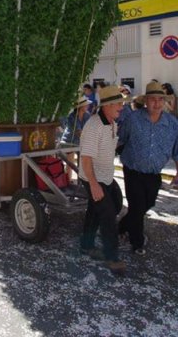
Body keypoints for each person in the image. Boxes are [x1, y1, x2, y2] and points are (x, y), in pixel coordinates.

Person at [118, 81, 178, 255]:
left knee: (148, 203)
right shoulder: (133, 119)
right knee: (137, 206)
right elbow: (121, 139)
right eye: (153, 99)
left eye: (160, 99)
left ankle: (123, 225)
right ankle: (137, 242)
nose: (157, 103)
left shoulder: (172, 124)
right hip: (132, 170)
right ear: (146, 101)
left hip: (153, 173)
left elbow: (176, 150)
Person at [79, 85, 126, 275]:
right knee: (107, 215)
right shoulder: (94, 126)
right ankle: (112, 257)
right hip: (93, 177)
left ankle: (86, 244)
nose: (121, 107)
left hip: (105, 176)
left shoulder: (113, 123)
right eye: (118, 104)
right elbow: (86, 158)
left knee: (112, 205)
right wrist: (93, 184)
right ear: (107, 105)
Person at [60, 96, 91, 179]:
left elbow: (89, 129)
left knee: (83, 162)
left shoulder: (87, 115)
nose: (87, 106)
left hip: (80, 142)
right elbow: (79, 132)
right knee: (70, 163)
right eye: (86, 105)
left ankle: (82, 181)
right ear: (80, 106)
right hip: (69, 141)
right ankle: (68, 180)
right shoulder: (72, 116)